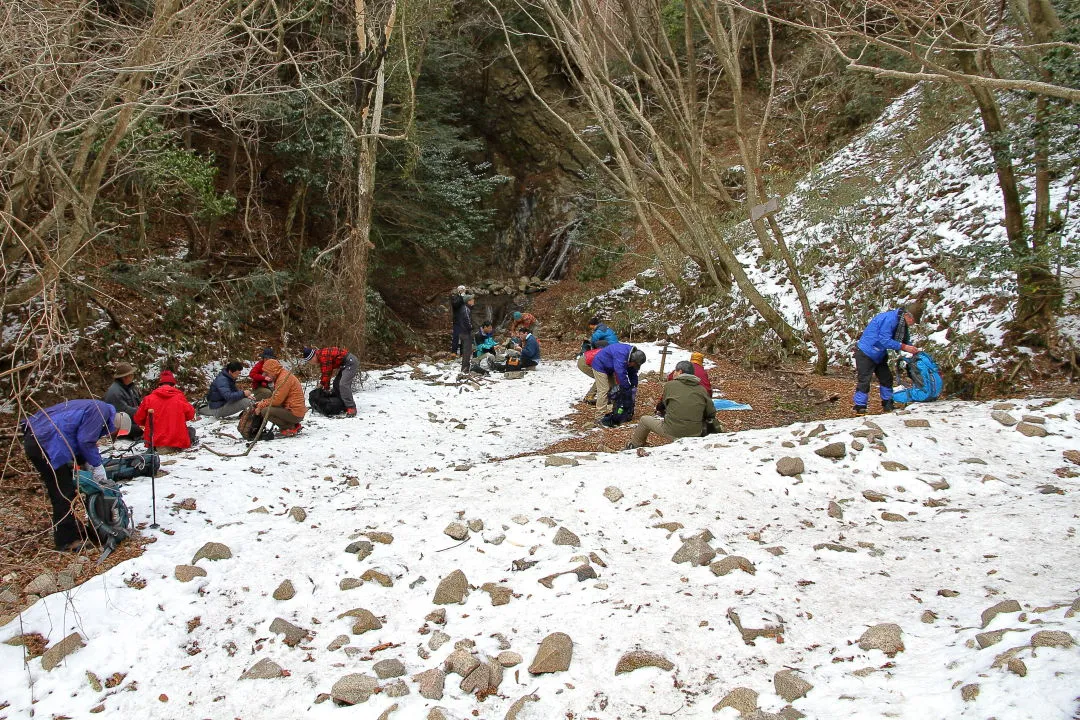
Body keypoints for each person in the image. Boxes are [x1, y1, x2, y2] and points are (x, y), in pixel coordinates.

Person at [20, 400, 132, 551]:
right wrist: (96, 465)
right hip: (46, 442)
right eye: (118, 433)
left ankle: (73, 529)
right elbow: (85, 441)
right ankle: (66, 541)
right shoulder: (101, 411)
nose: (112, 436)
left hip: (42, 437)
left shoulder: (97, 408)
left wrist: (85, 462)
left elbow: (77, 434)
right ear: (117, 425)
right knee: (63, 491)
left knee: (65, 489)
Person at [628, 361, 720, 448]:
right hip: (695, 432)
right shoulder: (701, 389)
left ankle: (635, 445)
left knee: (645, 420)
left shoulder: (670, 385)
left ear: (680, 372)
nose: (674, 373)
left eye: (675, 371)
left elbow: (665, 405)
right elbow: (711, 413)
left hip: (673, 431)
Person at [853, 304, 923, 415]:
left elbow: (905, 340)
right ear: (907, 316)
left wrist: (912, 349)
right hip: (866, 352)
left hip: (880, 353)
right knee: (864, 380)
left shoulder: (901, 324)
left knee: (886, 378)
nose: (913, 324)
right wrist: (905, 347)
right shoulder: (890, 320)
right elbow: (884, 340)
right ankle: (860, 407)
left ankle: (888, 403)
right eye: (913, 321)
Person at [134, 370, 196, 452]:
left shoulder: (149, 398)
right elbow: (190, 415)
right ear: (173, 385)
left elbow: (138, 419)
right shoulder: (180, 398)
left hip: (154, 443)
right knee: (191, 430)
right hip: (176, 442)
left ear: (160, 385)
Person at [590, 342, 647, 416]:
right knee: (604, 390)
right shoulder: (621, 354)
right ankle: (599, 416)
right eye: (635, 364)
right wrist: (627, 389)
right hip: (599, 365)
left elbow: (632, 372)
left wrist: (634, 386)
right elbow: (620, 373)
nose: (635, 366)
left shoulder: (631, 357)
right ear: (633, 360)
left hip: (609, 367)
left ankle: (616, 411)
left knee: (615, 389)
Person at [254, 359, 306, 436]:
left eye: (267, 373)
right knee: (267, 407)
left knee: (265, 411)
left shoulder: (283, 379)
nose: (265, 375)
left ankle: (290, 427)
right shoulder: (282, 375)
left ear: (273, 371)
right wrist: (263, 402)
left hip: (294, 413)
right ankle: (291, 424)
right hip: (292, 410)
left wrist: (261, 405)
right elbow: (277, 398)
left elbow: (277, 400)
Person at [304, 345, 358, 416]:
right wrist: (325, 387)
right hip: (345, 364)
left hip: (350, 362)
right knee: (336, 383)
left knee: (343, 384)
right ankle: (343, 404)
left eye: (310, 361)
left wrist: (322, 385)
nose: (311, 363)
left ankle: (351, 407)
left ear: (312, 357)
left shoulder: (323, 356)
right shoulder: (321, 356)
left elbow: (327, 373)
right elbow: (327, 372)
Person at [103, 362, 144, 440]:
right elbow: (123, 411)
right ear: (124, 377)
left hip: (132, 421)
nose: (133, 377)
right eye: (131, 375)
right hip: (123, 425)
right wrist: (142, 412)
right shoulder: (115, 392)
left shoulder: (130, 388)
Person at [454, 296, 475, 374]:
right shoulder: (465, 309)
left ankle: (465, 368)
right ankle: (465, 370)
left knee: (465, 351)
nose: (473, 301)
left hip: (462, 332)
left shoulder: (462, 308)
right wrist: (471, 328)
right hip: (465, 333)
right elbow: (467, 320)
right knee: (467, 352)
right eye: (472, 300)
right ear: (468, 301)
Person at [450, 286, 467, 355]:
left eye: (464, 290)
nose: (463, 291)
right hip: (457, 320)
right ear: (459, 290)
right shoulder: (455, 297)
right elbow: (455, 304)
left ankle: (462, 352)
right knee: (456, 336)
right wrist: (461, 297)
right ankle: (454, 352)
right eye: (462, 290)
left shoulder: (466, 297)